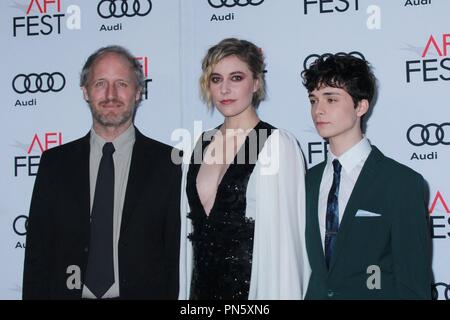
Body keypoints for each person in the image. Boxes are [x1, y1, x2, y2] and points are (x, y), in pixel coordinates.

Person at [22, 45, 181, 299]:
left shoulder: (170, 164)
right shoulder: (55, 164)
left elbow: (176, 258)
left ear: (138, 92)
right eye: (100, 83)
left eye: (121, 84)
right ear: (85, 92)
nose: (110, 94)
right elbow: (37, 256)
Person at [178, 38, 310, 300]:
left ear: (256, 83)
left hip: (255, 294)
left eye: (236, 77)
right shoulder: (200, 144)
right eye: (216, 79)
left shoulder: (276, 144)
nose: (225, 89)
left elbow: (286, 248)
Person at [301, 53, 431, 299]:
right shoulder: (306, 181)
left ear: (361, 106)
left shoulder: (401, 182)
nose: (318, 109)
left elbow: (414, 284)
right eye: (313, 100)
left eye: (331, 99)